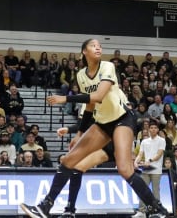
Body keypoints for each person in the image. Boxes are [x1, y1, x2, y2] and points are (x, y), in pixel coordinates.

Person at [20, 39, 169, 218]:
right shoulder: (81, 75)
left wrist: (65, 99)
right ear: (84, 51)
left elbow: (98, 96)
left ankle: (157, 209)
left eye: (99, 45)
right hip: (102, 123)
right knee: (68, 161)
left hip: (122, 119)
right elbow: (90, 106)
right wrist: (80, 133)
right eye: (93, 45)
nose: (98, 47)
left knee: (124, 169)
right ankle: (45, 207)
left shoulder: (107, 66)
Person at [133, 120, 166, 218]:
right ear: (148, 129)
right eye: (151, 128)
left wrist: (149, 161)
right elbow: (140, 154)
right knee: (143, 190)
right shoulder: (144, 141)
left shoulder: (161, 140)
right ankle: (141, 211)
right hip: (146, 169)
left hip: (156, 169)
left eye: (155, 128)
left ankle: (157, 212)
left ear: (158, 129)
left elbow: (159, 154)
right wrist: (136, 162)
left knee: (156, 191)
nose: (153, 129)